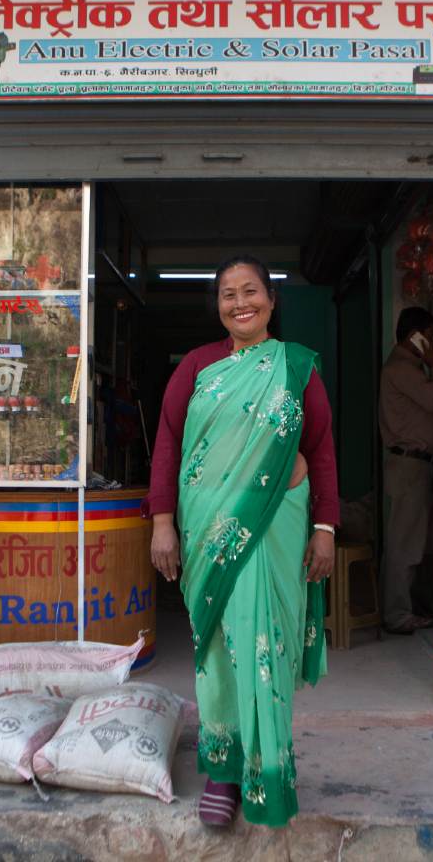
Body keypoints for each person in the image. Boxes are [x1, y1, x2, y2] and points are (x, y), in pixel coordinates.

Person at [146, 255, 338, 828]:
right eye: (227, 294)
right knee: (219, 649)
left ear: (272, 301)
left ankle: (271, 767)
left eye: (250, 291)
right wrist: (162, 521)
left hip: (278, 527)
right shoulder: (198, 368)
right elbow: (167, 444)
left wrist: (325, 528)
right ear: (218, 306)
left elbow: (322, 449)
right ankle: (225, 773)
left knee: (267, 648)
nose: (239, 303)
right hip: (210, 532)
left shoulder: (297, 368)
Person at [378, 307, 433, 634]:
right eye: (430, 337)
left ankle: (408, 608)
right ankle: (398, 615)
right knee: (404, 542)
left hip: (416, 465)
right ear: (415, 336)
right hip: (409, 465)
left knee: (412, 540)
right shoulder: (402, 369)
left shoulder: (410, 368)